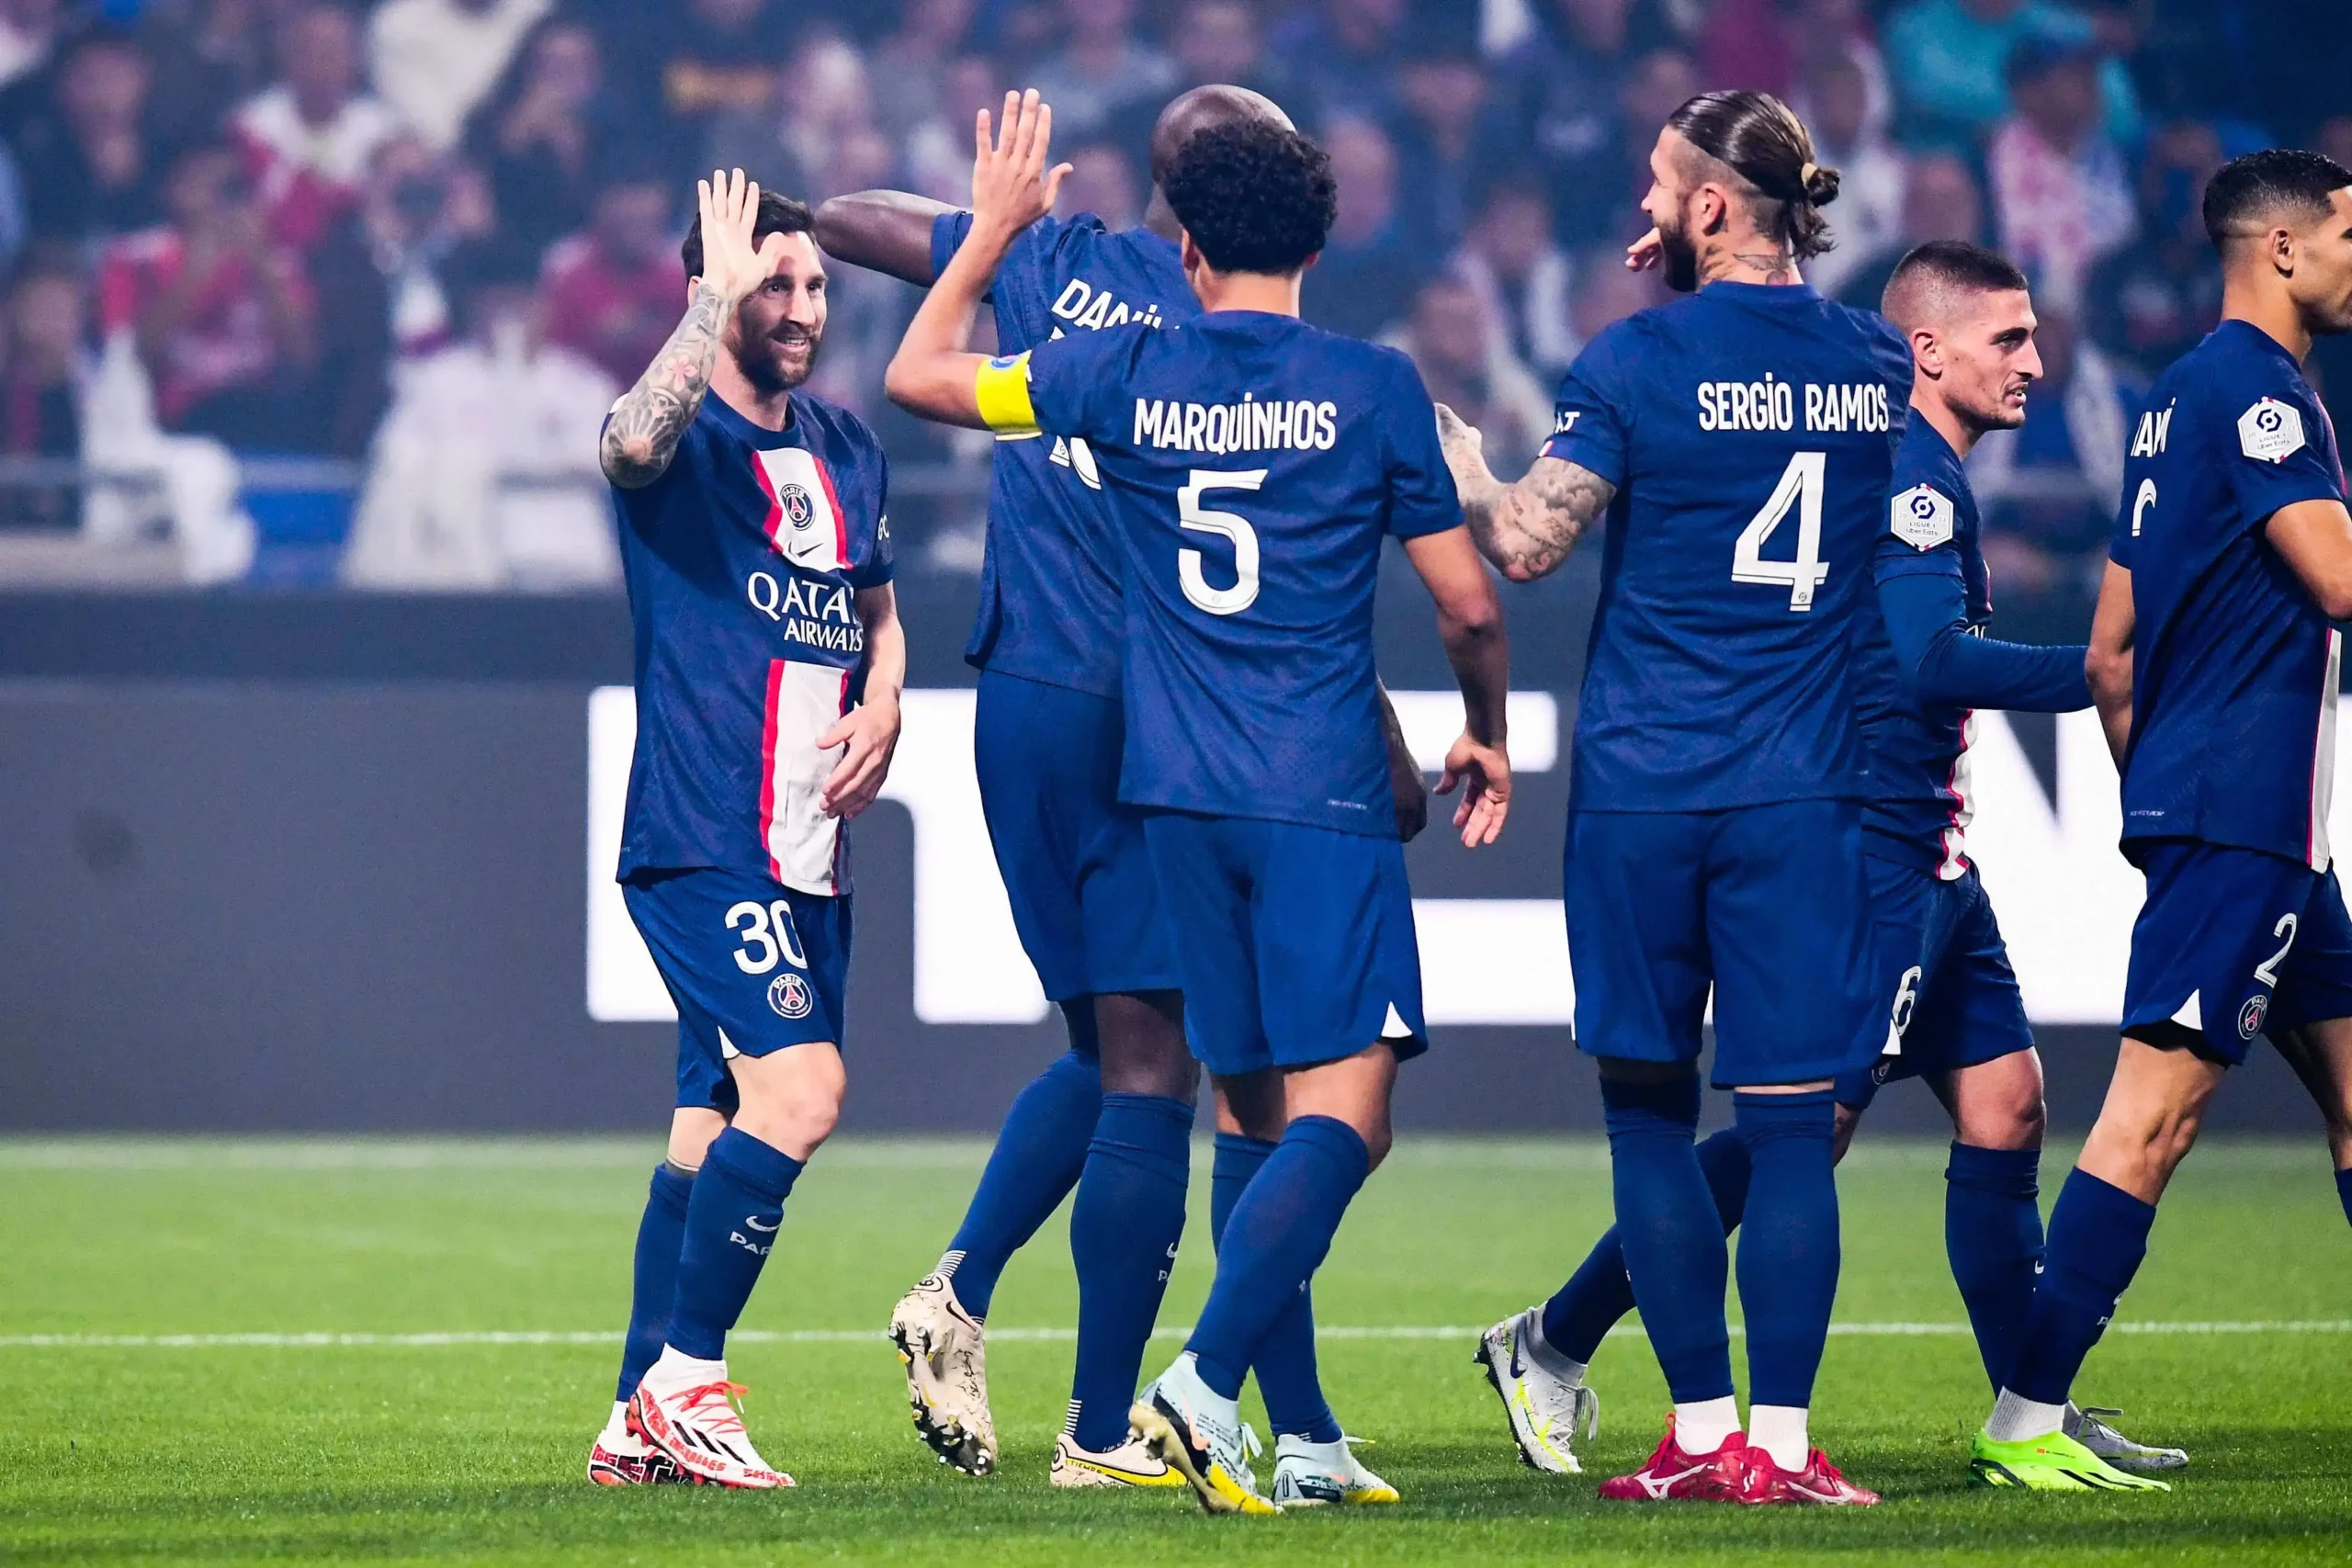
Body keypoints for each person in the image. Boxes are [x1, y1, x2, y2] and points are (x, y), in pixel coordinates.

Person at [886, 96, 1511, 1515]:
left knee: (1244, 1108)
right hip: (1317, 788)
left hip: (1174, 792)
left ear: (1182, 242)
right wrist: (1482, 729)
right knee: (1349, 1113)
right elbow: (1469, 603)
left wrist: (991, 232)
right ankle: (1196, 1383)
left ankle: (1305, 1435)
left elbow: (921, 374)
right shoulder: (1371, 385)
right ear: (1319, 240)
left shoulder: (1120, 371)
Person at [1475, 239, 2184, 1481]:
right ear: (1929, 350)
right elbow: (1929, 658)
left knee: (2007, 1103)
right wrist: (2103, 670)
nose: (2035, 358)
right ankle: (1554, 1336)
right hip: (1870, 843)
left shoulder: (1919, 467)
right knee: (1807, 1127)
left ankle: (2027, 1416)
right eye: (2009, 338)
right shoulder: (1904, 471)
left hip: (1936, 845)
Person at [1438, 90, 1913, 1506]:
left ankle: (1698, 1434)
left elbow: (1527, 541)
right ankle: (1786, 1447)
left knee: (1649, 1120)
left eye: (1662, 183)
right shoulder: (1876, 360)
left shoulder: (1634, 359)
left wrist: (1463, 461)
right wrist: (1717, 286)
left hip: (1647, 788)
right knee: (1789, 1129)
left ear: (1710, 203)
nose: (1642, 204)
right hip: (1804, 791)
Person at [1969, 148, 2352, 1493]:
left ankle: (2032, 1410)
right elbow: (2338, 579)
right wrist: (2198, 808)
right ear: (2284, 248)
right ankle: (2027, 1417)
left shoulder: (2174, 397)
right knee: (2153, 1116)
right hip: (2245, 813)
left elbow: (2111, 650)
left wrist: (2158, 795)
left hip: (2249, 822)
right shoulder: (2261, 394)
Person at [583, 170, 905, 1492]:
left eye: (816, 284)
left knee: (706, 1127)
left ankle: (631, 1418)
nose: (804, 306)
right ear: (716, 290)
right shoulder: (682, 441)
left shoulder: (847, 447)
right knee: (805, 1091)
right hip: (704, 828)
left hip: (809, 848)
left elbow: (877, 609)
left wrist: (889, 693)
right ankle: (688, 1383)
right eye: (775, 283)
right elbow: (624, 447)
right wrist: (709, 297)